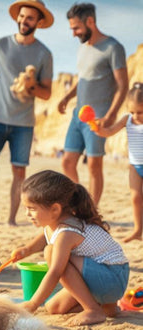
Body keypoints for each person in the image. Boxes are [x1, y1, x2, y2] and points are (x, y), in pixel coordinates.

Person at [12, 170, 129, 326]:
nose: (27, 214)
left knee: (51, 252)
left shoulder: (66, 233)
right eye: (26, 208)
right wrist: (27, 249)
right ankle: (106, 308)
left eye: (32, 209)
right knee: (53, 307)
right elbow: (44, 238)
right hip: (104, 279)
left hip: (112, 279)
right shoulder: (54, 225)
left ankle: (93, 309)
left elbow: (55, 272)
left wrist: (32, 304)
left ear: (55, 209)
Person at [0, 0, 53, 225]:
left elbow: (47, 93)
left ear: (38, 21)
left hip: (24, 123)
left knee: (19, 173)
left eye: (29, 18)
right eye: (21, 16)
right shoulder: (0, 45)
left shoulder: (44, 54)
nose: (23, 21)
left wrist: (31, 87)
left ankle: (11, 219)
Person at [57, 2, 128, 206]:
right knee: (67, 162)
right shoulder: (82, 49)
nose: (73, 33)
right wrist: (67, 97)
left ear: (91, 21)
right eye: (71, 28)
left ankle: (92, 210)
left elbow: (122, 85)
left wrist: (111, 115)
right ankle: (79, 202)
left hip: (99, 117)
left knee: (94, 166)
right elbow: (83, 77)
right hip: (78, 115)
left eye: (76, 28)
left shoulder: (113, 47)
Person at [95, 83, 143, 243]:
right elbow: (109, 131)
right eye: (132, 112)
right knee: (135, 197)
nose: (136, 115)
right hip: (135, 166)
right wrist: (98, 129)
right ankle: (137, 230)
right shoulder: (127, 119)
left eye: (140, 112)